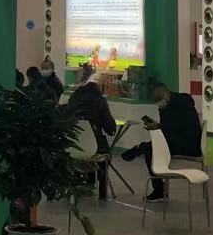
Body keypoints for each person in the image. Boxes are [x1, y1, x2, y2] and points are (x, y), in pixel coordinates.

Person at [121, 80, 202, 200]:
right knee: (152, 149)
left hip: (188, 145)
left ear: (165, 91)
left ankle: (140, 150)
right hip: (175, 141)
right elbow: (170, 129)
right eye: (155, 100)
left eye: (158, 99)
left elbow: (183, 128)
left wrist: (160, 127)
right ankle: (141, 149)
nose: (157, 102)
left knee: (151, 150)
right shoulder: (168, 106)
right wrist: (159, 127)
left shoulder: (183, 105)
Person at [68, 65, 118, 200]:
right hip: (96, 147)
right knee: (104, 154)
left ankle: (82, 182)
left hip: (73, 146)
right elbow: (110, 129)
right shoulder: (100, 101)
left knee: (82, 153)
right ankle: (102, 191)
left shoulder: (72, 100)